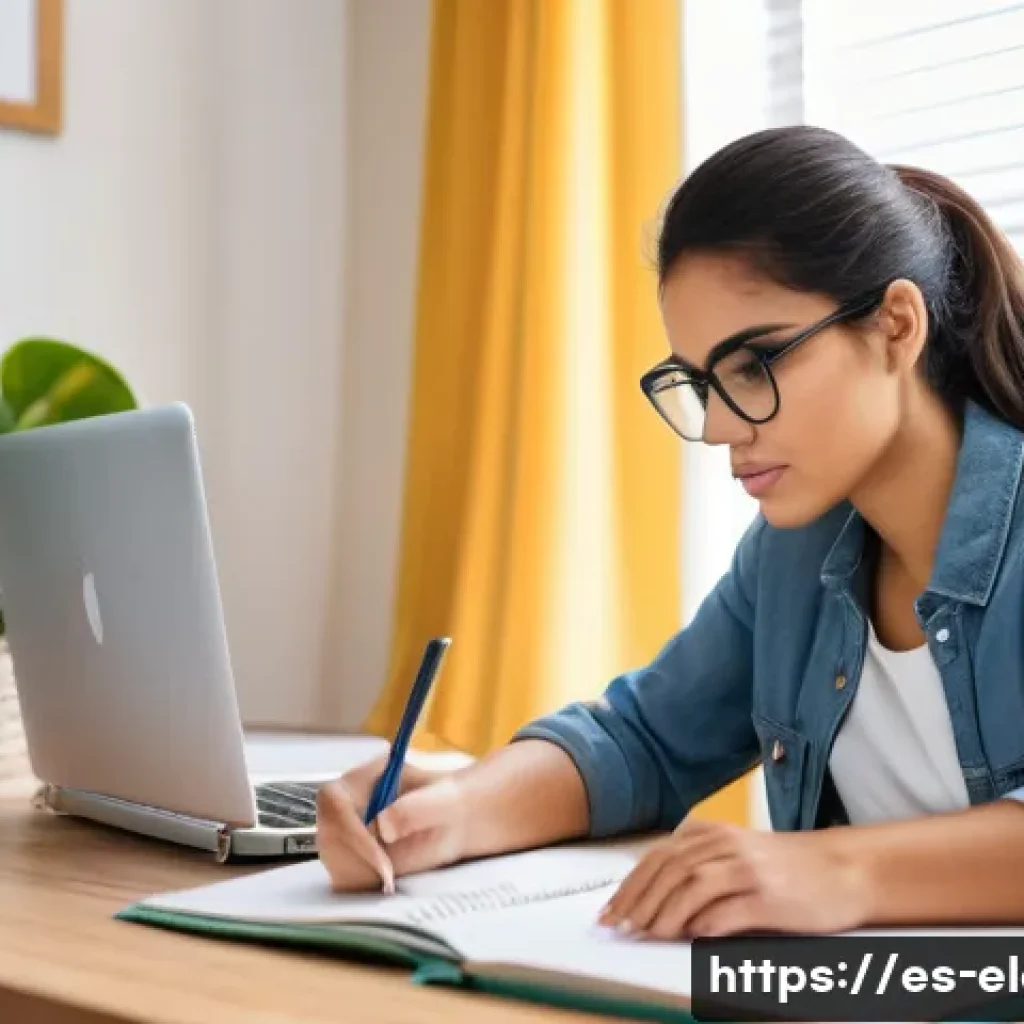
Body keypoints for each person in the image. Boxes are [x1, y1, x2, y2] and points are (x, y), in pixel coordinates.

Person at [316, 125, 1024, 940]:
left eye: (755, 366)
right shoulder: (795, 554)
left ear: (897, 326)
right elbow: (643, 741)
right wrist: (458, 810)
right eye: (699, 383)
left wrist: (840, 869)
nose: (721, 426)